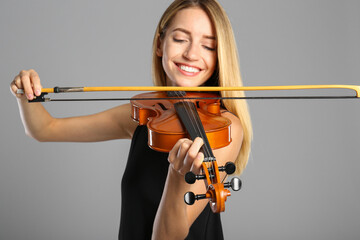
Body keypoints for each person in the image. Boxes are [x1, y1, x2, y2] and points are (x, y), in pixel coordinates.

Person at [10, 0, 252, 239]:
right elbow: (45, 129)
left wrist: (178, 179)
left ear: (219, 55)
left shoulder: (226, 128)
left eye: (208, 46)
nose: (191, 54)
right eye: (180, 39)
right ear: (160, 44)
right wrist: (26, 93)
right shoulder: (149, 115)